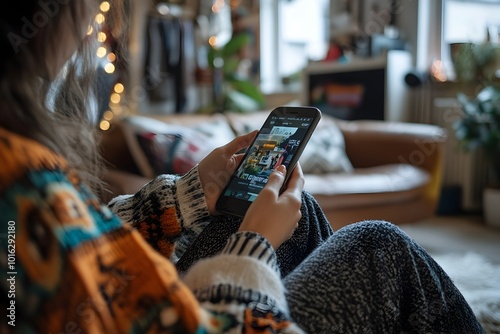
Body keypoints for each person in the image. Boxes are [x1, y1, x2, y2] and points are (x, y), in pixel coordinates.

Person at [0, 1, 485, 333]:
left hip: (152, 297)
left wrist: (191, 193)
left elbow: (90, 242)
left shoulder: (19, 167)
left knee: (282, 209)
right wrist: (253, 244)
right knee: (378, 246)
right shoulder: (19, 182)